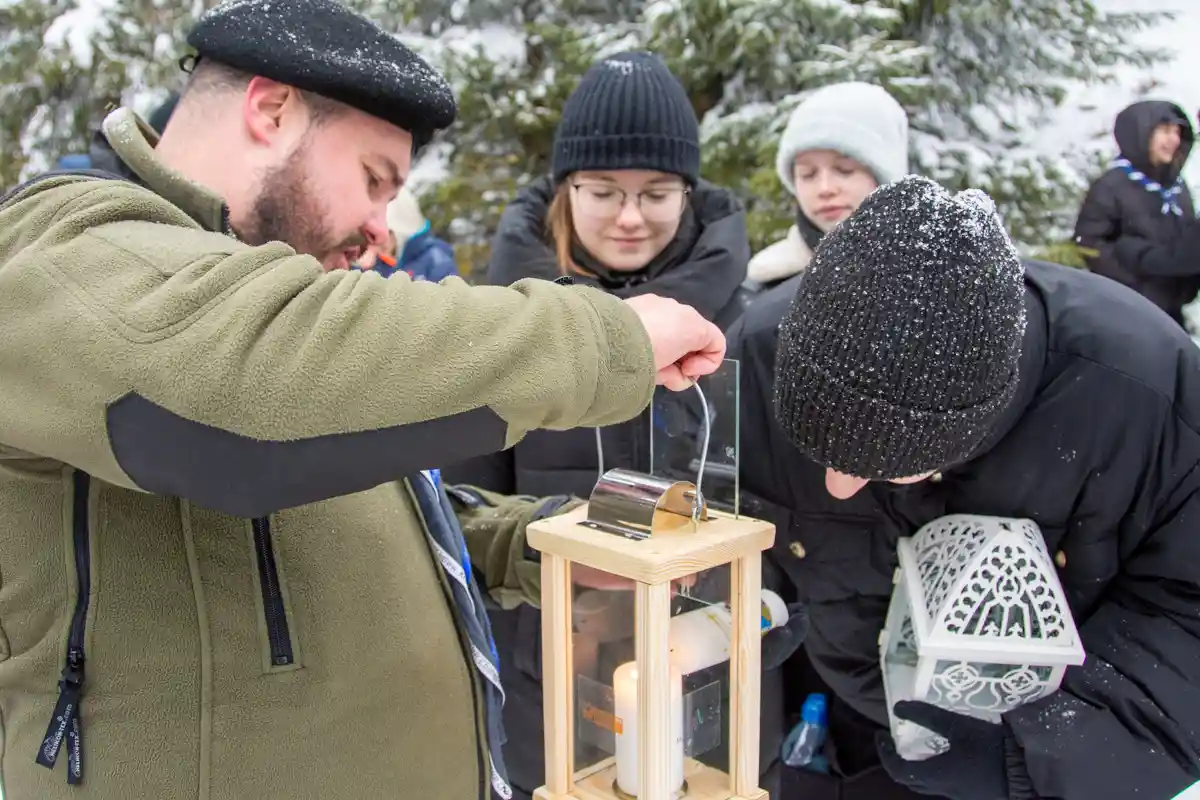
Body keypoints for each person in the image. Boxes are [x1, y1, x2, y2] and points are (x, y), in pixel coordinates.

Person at [0, 1, 728, 799]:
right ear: (272, 110)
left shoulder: (253, 280)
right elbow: (239, 394)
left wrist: (528, 542)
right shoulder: (64, 244)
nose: (383, 231)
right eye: (374, 180)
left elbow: (349, 505)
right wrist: (603, 339)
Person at [730, 175, 1200, 800]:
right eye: (816, 451)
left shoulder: (1144, 392)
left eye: (879, 463)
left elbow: (1187, 615)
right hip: (846, 735)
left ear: (973, 428)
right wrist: (750, 603)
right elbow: (735, 521)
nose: (838, 489)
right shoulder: (761, 353)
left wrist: (1033, 755)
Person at [442, 50, 793, 800]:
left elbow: (788, 514)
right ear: (565, 190)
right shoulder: (503, 325)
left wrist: (764, 618)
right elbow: (466, 513)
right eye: (603, 191)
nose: (630, 217)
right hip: (558, 691)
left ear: (689, 195)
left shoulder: (750, 322)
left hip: (716, 688)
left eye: (656, 192)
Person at [746, 81, 908, 291]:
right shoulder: (762, 285)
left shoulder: (940, 279)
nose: (825, 188)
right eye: (808, 174)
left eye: (845, 170)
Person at [1074, 100, 1198, 327]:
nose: (1174, 140)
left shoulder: (1177, 188)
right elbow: (1088, 243)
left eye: (1178, 132)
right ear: (1141, 133)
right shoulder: (1112, 185)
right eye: (1165, 131)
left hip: (1172, 311)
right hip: (1128, 311)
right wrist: (1137, 285)